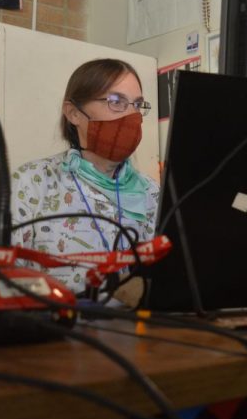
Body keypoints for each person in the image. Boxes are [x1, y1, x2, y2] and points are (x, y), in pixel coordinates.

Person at [8, 58, 160, 295]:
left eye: (137, 104)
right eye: (116, 101)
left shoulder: (151, 192)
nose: (132, 116)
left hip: (135, 327)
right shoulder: (33, 182)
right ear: (73, 113)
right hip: (56, 327)